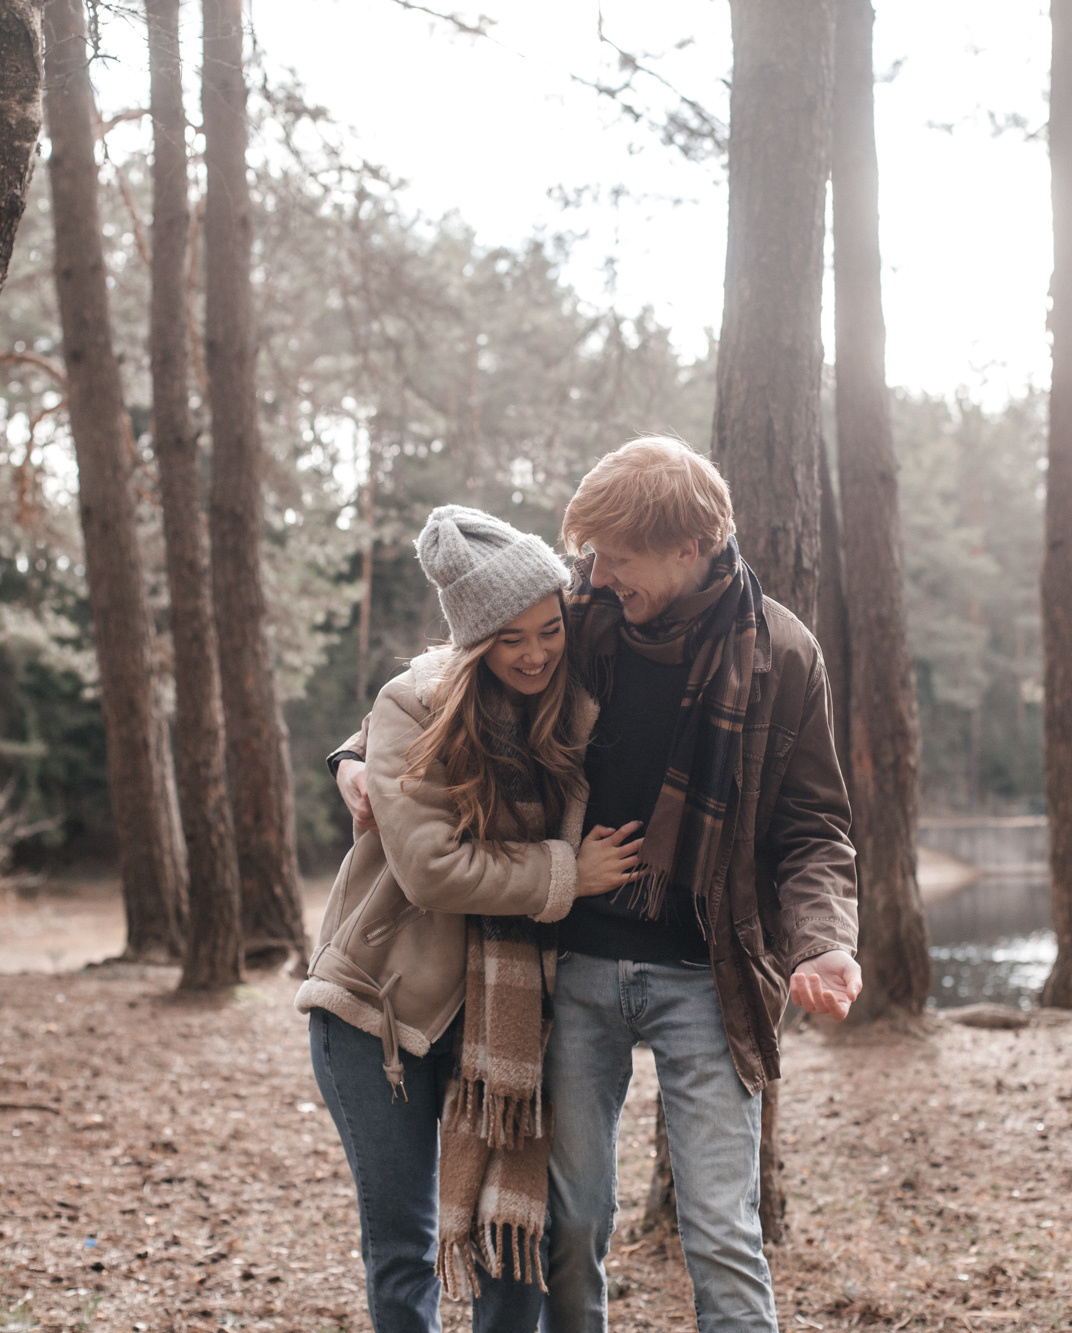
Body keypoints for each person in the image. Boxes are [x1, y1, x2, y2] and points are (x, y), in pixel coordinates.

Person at [335, 439, 863, 1333]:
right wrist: (357, 752)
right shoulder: (586, 615)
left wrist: (826, 940)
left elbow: (813, 827)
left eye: (616, 556)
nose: (597, 570)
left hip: (711, 977)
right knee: (570, 1226)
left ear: (686, 548)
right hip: (576, 969)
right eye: (592, 555)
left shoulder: (783, 654)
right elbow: (455, 667)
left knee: (722, 1230)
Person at [299, 504, 645, 1333]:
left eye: (547, 629)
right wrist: (568, 872)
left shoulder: (577, 704)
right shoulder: (412, 706)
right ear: (472, 640)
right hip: (380, 1015)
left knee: (513, 1240)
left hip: (512, 1023)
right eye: (508, 637)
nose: (534, 653)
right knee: (404, 1247)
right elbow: (430, 868)